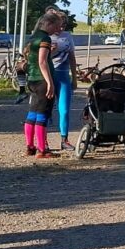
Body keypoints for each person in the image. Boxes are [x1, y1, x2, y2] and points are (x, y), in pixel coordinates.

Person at [23, 12, 61, 158]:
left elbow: (31, 58)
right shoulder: (45, 38)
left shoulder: (32, 37)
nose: (57, 30)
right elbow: (42, 62)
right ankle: (42, 149)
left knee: (32, 113)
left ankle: (30, 147)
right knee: (43, 114)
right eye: (56, 27)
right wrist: (50, 82)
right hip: (42, 80)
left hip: (32, 79)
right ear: (48, 24)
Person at [50, 13, 78, 151]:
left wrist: (74, 78)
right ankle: (43, 142)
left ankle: (64, 139)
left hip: (64, 76)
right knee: (46, 110)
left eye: (63, 25)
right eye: (58, 25)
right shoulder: (46, 36)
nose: (61, 28)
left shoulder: (67, 36)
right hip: (50, 75)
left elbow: (72, 57)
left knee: (65, 110)